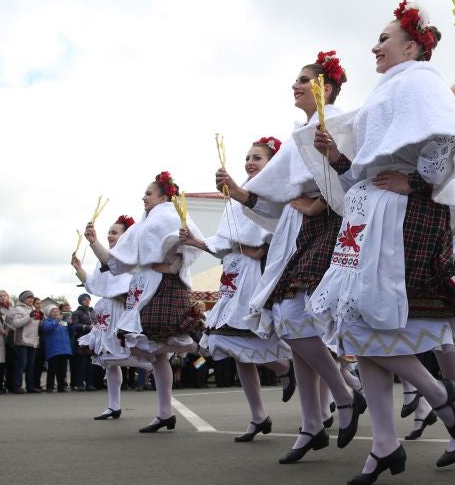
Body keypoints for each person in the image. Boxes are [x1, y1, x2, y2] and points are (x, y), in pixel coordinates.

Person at [307, 1, 455, 485]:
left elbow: (450, 135)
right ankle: (385, 441)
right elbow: (369, 166)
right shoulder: (390, 87)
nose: (375, 46)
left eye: (384, 38)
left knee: (363, 321)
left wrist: (418, 185)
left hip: (400, 216)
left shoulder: (420, 78)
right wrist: (339, 158)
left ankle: (431, 394)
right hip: (368, 210)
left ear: (413, 45)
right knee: (356, 323)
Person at [216, 50, 365, 460]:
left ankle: (345, 394)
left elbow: (354, 178)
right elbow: (274, 197)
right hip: (296, 233)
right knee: (288, 321)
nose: (295, 85)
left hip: (331, 228)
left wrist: (318, 200)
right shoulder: (296, 136)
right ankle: (313, 422)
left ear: (326, 87)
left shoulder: (343, 123)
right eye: (296, 80)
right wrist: (238, 190)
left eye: (304, 79)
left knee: (296, 316)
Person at [181, 135, 296, 441]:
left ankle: (295, 373)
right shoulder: (234, 198)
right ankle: (259, 414)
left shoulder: (274, 192)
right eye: (247, 157)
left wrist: (254, 250)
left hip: (260, 275)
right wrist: (196, 242)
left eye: (257, 157)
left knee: (239, 339)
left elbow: (272, 237)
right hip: (234, 274)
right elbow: (225, 243)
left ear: (272, 163)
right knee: (230, 345)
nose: (249, 162)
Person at [85, 171, 205, 432]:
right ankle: (165, 413)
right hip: (144, 286)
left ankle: (202, 346)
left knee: (161, 342)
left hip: (163, 284)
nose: (144, 197)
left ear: (163, 195)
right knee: (154, 353)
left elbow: (192, 242)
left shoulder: (170, 214)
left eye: (149, 193)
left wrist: (176, 266)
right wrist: (94, 243)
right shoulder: (140, 226)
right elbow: (115, 262)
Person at [73, 214, 149, 419]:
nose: (110, 235)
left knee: (125, 353)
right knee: (108, 360)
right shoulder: (103, 260)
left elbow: (131, 285)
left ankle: (155, 365)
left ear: (126, 236)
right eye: (109, 232)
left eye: (114, 232)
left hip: (122, 310)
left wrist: (93, 241)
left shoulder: (127, 257)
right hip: (106, 310)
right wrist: (79, 269)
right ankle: (113, 405)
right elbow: (94, 285)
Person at [8, 290, 42, 394]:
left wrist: (41, 319)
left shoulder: (33, 309)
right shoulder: (18, 309)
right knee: (21, 364)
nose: (31, 299)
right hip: (22, 340)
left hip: (33, 340)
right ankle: (17, 386)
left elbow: (36, 325)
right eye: (28, 297)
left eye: (32, 297)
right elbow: (16, 324)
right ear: (23, 299)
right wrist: (30, 316)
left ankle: (30, 386)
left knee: (31, 365)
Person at [40, 304, 72, 392]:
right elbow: (46, 328)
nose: (56, 312)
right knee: (52, 369)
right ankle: (50, 387)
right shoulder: (47, 321)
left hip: (64, 349)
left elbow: (70, 330)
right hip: (53, 349)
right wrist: (56, 321)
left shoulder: (62, 321)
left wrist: (70, 323)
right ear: (48, 313)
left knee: (62, 369)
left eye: (56, 311)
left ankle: (61, 386)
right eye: (53, 311)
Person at [71, 294, 96, 390]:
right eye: (85, 300)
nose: (87, 301)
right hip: (81, 340)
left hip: (92, 340)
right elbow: (75, 325)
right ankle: (80, 384)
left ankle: (90, 384)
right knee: (81, 363)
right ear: (80, 301)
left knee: (91, 363)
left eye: (88, 299)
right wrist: (86, 327)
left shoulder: (93, 312)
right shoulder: (76, 313)